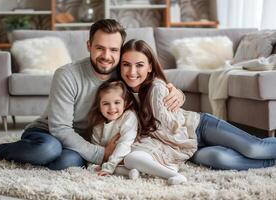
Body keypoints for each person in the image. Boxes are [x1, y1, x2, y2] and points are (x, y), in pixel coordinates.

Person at [0, 19, 184, 170]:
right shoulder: (67, 75)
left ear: (120, 51)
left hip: (85, 141)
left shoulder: (123, 73)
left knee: (66, 163)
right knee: (48, 151)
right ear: (88, 46)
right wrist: (100, 154)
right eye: (100, 48)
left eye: (113, 50)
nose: (106, 56)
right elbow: (60, 128)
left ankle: (41, 156)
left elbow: (149, 85)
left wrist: (175, 92)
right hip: (48, 133)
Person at [117, 39, 276, 185]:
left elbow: (170, 129)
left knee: (254, 149)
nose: (132, 71)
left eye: (139, 65)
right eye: (126, 64)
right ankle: (271, 162)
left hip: (199, 127)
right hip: (187, 147)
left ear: (150, 66)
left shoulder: (156, 88)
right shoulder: (119, 95)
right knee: (219, 158)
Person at [86, 79, 140, 179]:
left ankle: (132, 169)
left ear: (125, 103)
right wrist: (94, 164)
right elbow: (96, 149)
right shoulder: (97, 126)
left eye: (117, 102)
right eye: (106, 103)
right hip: (111, 158)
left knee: (132, 157)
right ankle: (128, 172)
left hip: (128, 151)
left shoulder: (128, 116)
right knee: (97, 166)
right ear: (99, 106)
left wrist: (108, 167)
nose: (112, 108)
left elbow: (125, 144)